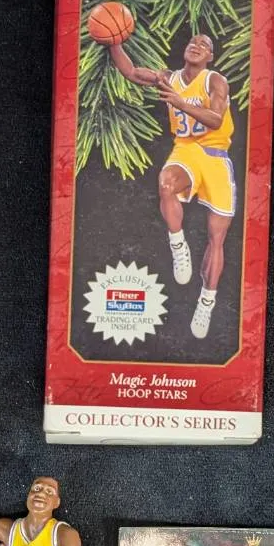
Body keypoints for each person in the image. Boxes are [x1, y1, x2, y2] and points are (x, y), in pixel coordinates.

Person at [107, 32, 236, 339]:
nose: (197, 45)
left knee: (216, 239)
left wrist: (180, 103)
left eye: (205, 45)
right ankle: (178, 244)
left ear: (210, 57)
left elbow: (216, 120)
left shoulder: (215, 81)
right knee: (166, 184)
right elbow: (131, 71)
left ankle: (206, 301)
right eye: (193, 41)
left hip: (217, 156)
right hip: (187, 150)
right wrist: (114, 42)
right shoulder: (168, 78)